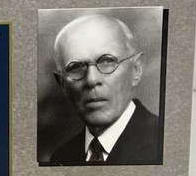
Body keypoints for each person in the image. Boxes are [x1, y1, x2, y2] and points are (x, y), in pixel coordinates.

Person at [48, 12, 162, 165]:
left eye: (107, 61)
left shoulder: (163, 142)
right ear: (62, 84)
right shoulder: (60, 158)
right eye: (76, 68)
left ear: (136, 69)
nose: (92, 80)